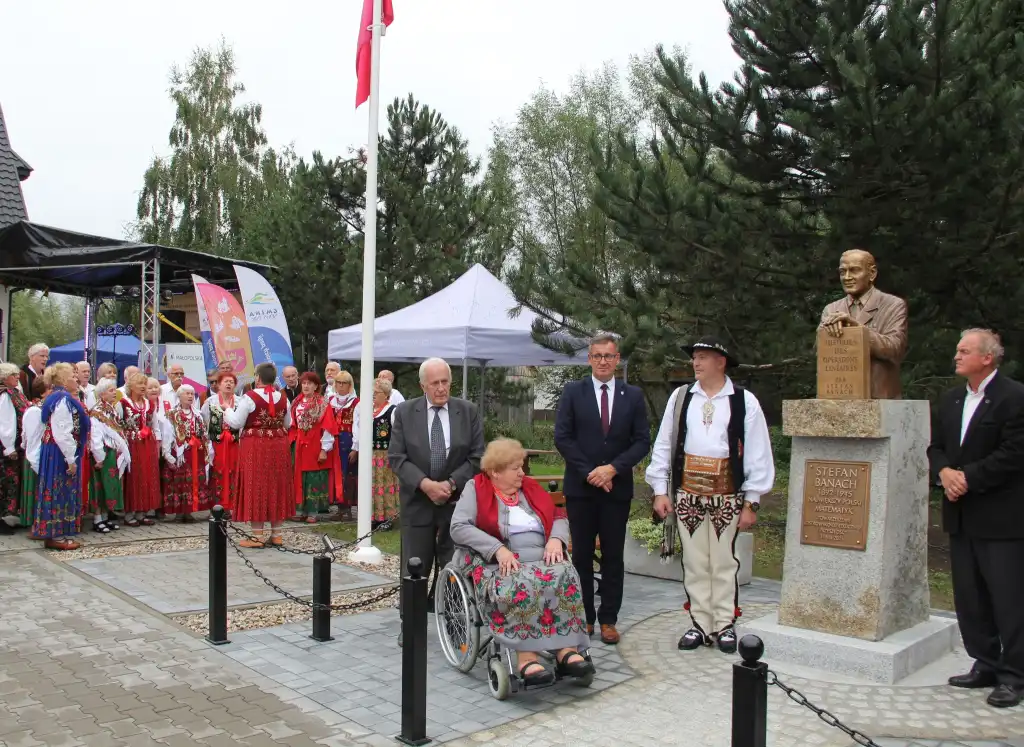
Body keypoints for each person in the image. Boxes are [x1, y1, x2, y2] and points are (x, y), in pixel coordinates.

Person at [647, 336, 775, 654]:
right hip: (688, 495)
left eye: (703, 357)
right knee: (694, 562)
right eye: (694, 357)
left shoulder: (744, 401)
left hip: (726, 497)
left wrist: (752, 501)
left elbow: (758, 452)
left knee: (723, 562)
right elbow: (664, 444)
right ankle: (700, 623)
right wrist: (660, 490)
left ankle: (724, 623)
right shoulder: (681, 398)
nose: (696, 362)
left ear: (721, 362)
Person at [927, 328, 1024, 708]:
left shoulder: (1014, 397)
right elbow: (936, 447)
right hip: (960, 516)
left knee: (1008, 598)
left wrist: (967, 478)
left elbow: (1014, 453)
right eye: (957, 350)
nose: (957, 355)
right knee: (971, 598)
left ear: (987, 357)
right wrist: (944, 473)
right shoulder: (952, 399)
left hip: (1001, 519)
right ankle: (985, 662)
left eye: (964, 350)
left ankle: (1014, 675)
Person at [554, 332, 651, 645]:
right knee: (581, 556)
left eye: (609, 356)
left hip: (616, 490)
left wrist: (612, 469)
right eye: (597, 356)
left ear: (617, 358)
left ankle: (609, 619)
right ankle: (584, 617)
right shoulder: (574, 392)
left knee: (613, 557)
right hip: (581, 490)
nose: (603, 361)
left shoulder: (632, 395)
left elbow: (641, 441)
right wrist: (590, 473)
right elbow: (563, 437)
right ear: (589, 359)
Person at [389, 357, 485, 646]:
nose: (441, 388)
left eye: (445, 382)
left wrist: (451, 484)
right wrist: (426, 485)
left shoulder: (467, 412)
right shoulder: (405, 412)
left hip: (456, 503)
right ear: (423, 386)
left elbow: (477, 456)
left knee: (454, 565)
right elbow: (397, 458)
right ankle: (411, 626)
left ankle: (456, 625)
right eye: (435, 383)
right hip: (417, 502)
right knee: (414, 566)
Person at [818, 249, 908, 399]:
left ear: (872, 274)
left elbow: (895, 348)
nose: (847, 277)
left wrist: (857, 331)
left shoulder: (892, 305)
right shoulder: (831, 309)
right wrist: (825, 335)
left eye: (854, 270)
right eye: (842, 272)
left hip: (879, 398)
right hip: (838, 395)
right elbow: (820, 353)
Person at [225, 362, 293, 548]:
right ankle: (277, 535)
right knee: (277, 485)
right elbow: (288, 423)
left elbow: (236, 423)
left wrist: (227, 409)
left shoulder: (249, 397)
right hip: (278, 446)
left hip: (255, 446)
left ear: (257, 377)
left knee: (256, 485)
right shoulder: (283, 398)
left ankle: (257, 536)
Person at [32, 363, 90, 551]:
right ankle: (56, 535)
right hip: (59, 452)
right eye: (72, 376)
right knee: (60, 490)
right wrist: (71, 459)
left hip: (55, 450)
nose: (76, 379)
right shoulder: (62, 400)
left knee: (57, 489)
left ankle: (57, 533)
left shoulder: (56, 397)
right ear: (64, 380)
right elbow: (62, 432)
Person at [289, 372, 339, 523]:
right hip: (299, 444)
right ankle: (300, 509)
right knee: (299, 475)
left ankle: (313, 511)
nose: (306, 386)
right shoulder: (296, 402)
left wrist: (324, 449)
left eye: (309, 383)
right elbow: (292, 424)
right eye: (304, 383)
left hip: (316, 443)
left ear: (316, 386)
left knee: (314, 476)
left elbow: (328, 427)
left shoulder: (323, 403)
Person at [160, 385, 213, 522]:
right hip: (180, 453)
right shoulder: (172, 414)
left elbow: (203, 433)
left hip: (195, 452)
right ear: (179, 396)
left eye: (192, 394)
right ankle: (179, 512)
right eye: (187, 394)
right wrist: (167, 454)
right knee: (179, 481)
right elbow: (167, 435)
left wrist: (205, 447)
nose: (190, 396)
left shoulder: (197, 414)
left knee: (192, 481)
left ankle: (188, 511)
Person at [352, 378, 400, 525]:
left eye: (377, 392)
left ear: (386, 395)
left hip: (385, 455)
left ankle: (387, 518)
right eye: (372, 392)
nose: (373, 395)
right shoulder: (367, 409)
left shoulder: (392, 411)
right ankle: (371, 517)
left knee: (384, 485)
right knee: (370, 485)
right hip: (369, 454)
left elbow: (398, 434)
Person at [87, 378, 130, 534]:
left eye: (114, 390)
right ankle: (97, 519)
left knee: (109, 486)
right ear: (102, 394)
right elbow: (95, 436)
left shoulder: (110, 409)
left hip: (111, 452)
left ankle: (105, 517)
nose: (114, 393)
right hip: (103, 452)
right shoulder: (97, 412)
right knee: (99, 486)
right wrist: (99, 457)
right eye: (111, 390)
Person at [120, 372, 161, 527]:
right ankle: (129, 513)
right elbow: (118, 424)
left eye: (144, 384)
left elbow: (155, 425)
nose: (143, 387)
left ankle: (142, 512)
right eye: (140, 384)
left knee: (146, 476)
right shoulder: (124, 403)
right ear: (131, 386)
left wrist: (157, 444)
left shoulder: (149, 404)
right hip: (132, 444)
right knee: (134, 477)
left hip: (147, 444)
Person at [201, 371, 240, 511]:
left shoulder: (240, 401)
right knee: (218, 470)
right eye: (226, 381)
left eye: (231, 382)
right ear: (218, 384)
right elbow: (205, 422)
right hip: (216, 443)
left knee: (234, 470)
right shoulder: (210, 402)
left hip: (235, 443)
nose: (229, 384)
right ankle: (218, 505)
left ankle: (234, 504)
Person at [0, 362, 31, 534]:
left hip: (17, 444)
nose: (17, 377)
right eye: (13, 374)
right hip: (8, 446)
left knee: (14, 481)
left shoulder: (15, 392)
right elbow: (6, 423)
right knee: (7, 482)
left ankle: (10, 517)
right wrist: (9, 447)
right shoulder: (5, 395)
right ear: (5, 378)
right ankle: (3, 519)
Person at [19, 377, 48, 532]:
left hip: (42, 454)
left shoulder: (43, 409)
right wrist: (35, 460)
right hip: (34, 456)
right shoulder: (34, 411)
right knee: (35, 489)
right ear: (42, 392)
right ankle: (33, 523)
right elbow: (31, 438)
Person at [328, 371, 358, 517]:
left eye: (344, 383)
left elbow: (358, 426)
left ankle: (348, 507)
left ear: (349, 385)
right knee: (336, 474)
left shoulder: (356, 402)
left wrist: (356, 448)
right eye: (338, 382)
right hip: (333, 441)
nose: (341, 386)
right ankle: (340, 507)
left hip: (349, 440)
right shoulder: (330, 400)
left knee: (349, 474)